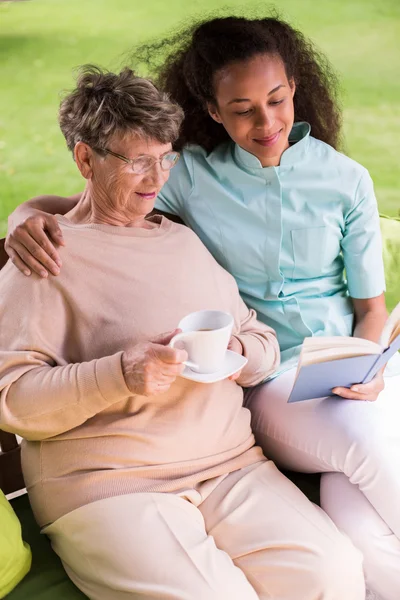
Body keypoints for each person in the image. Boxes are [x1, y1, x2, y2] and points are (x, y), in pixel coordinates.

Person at [4, 14, 399, 599]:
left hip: (232, 468)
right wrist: (119, 374)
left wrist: (243, 351)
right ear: (87, 161)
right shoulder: (47, 259)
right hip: (115, 484)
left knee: (337, 576)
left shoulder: (181, 237)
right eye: (137, 162)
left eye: (164, 158)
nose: (154, 179)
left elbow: (255, 334)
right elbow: (11, 397)